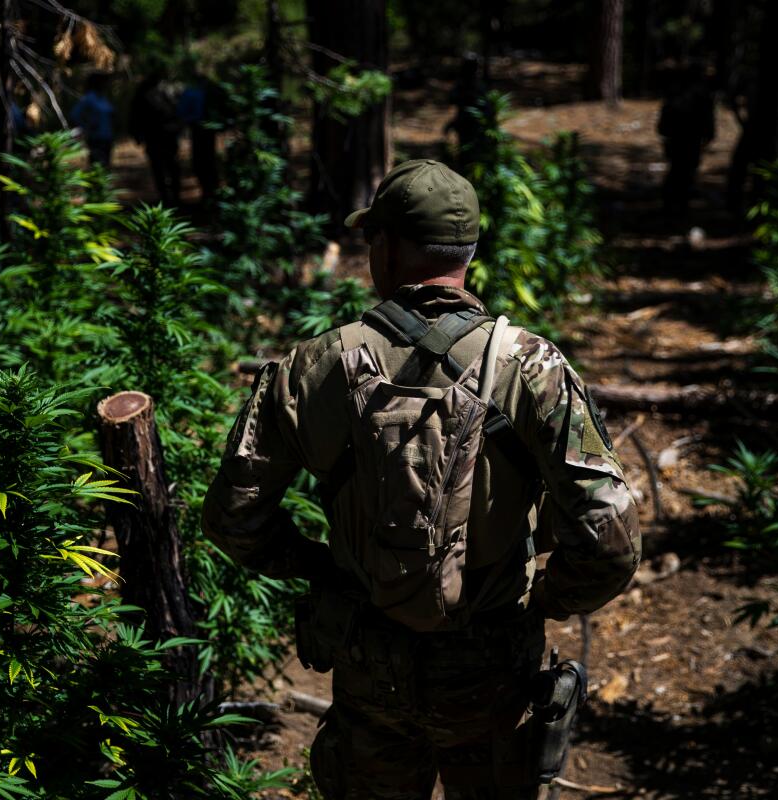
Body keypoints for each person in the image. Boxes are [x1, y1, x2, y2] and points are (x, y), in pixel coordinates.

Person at [202, 160, 641, 799]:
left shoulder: (314, 366)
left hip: (366, 662)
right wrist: (545, 599)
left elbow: (232, 517)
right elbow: (610, 537)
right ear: (468, 251)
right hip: (489, 670)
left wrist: (319, 568)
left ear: (390, 246)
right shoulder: (530, 367)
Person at [658, 65, 716, 215]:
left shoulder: (675, 92)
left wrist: (665, 134)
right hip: (691, 139)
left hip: (676, 139)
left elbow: (663, 119)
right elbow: (708, 119)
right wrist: (710, 135)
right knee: (686, 172)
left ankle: (670, 205)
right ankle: (680, 206)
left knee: (676, 170)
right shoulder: (702, 94)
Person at [129, 69, 182, 206]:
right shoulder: (155, 95)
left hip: (161, 138)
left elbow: (134, 118)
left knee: (165, 167)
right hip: (159, 138)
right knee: (166, 167)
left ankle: (171, 197)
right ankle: (170, 197)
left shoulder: (159, 95)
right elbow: (135, 117)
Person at [177, 73, 219, 202]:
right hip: (210, 129)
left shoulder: (191, 92)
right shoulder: (213, 91)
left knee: (200, 160)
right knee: (209, 159)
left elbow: (181, 112)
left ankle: (207, 192)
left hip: (197, 129)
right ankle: (211, 192)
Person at [70, 73, 116, 168]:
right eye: (103, 83)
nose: (106, 85)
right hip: (95, 139)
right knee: (97, 166)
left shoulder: (103, 98)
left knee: (106, 166)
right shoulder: (89, 98)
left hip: (107, 138)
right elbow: (75, 114)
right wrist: (86, 126)